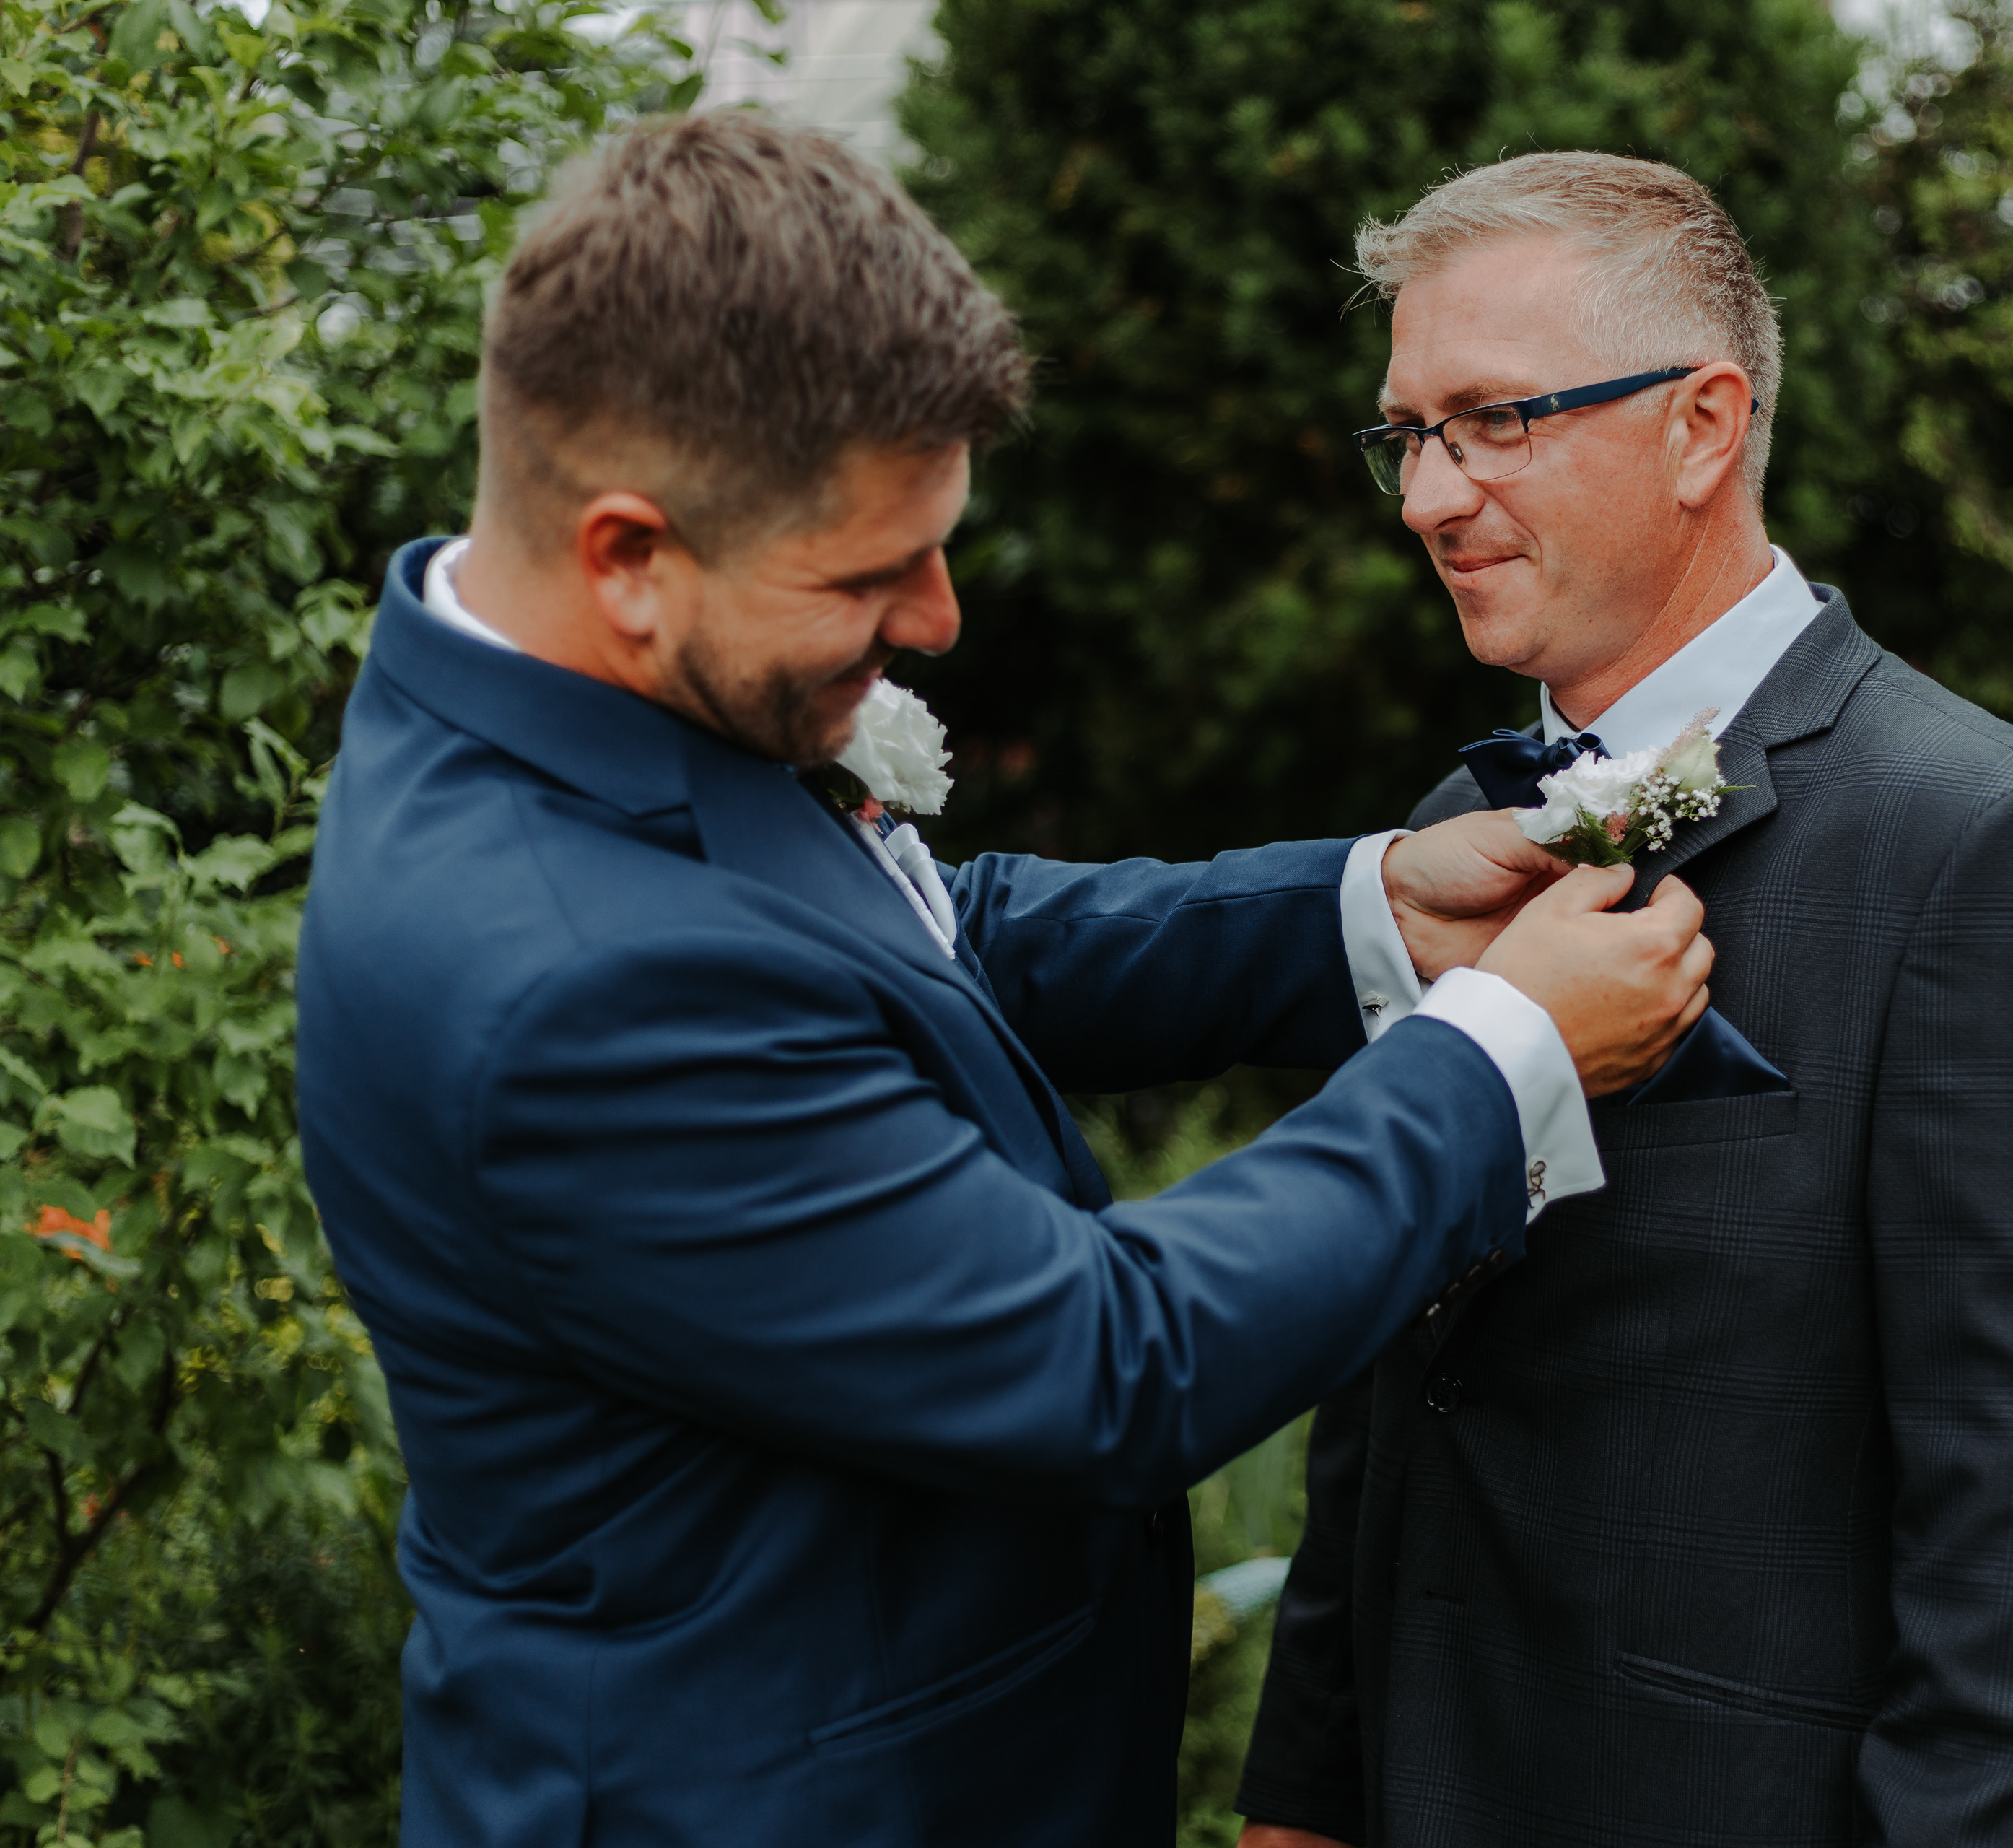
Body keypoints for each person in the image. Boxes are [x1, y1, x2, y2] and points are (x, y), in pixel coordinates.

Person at [292, 116, 1716, 1847]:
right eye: (871, 572)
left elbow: (919, 940)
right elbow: (1106, 1361)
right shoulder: (569, 984)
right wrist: (1502, 1051)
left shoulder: (584, 697)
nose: (940, 616)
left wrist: (1369, 909)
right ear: (628, 557)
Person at [1235, 152, 2013, 1848]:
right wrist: (1304, 1799)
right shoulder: (1453, 839)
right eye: (1409, 435)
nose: (1429, 497)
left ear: (1701, 426)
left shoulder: (1987, 846)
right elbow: (1395, 1390)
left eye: (1492, 422)